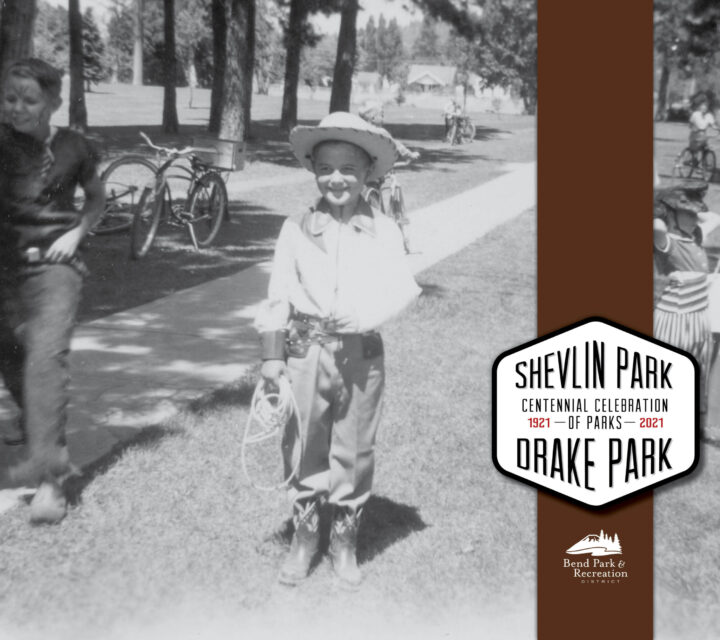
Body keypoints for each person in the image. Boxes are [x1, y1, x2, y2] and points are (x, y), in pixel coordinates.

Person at [254, 111, 421, 588]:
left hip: (361, 355)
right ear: (313, 171)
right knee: (303, 443)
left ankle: (344, 541)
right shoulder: (295, 228)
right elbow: (278, 292)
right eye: (326, 168)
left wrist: (365, 315)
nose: (337, 178)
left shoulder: (384, 230)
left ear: (369, 172)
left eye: (349, 168)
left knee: (354, 447)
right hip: (306, 352)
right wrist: (271, 356)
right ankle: (305, 537)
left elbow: (402, 289)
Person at [0, 58, 106, 523]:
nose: (17, 108)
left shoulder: (75, 146)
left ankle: (50, 479)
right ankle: (39, 431)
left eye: (29, 100)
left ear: (53, 103)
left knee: (44, 360)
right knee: (12, 357)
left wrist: (77, 233)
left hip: (56, 267)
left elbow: (97, 198)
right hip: (5, 270)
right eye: (10, 98)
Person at [653, 184, 712, 427]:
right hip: (674, 318)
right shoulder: (667, 241)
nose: (694, 218)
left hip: (698, 317)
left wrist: (690, 205)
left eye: (696, 214)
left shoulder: (695, 235)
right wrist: (663, 208)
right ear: (672, 216)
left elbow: (712, 218)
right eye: (687, 213)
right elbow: (656, 227)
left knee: (697, 371)